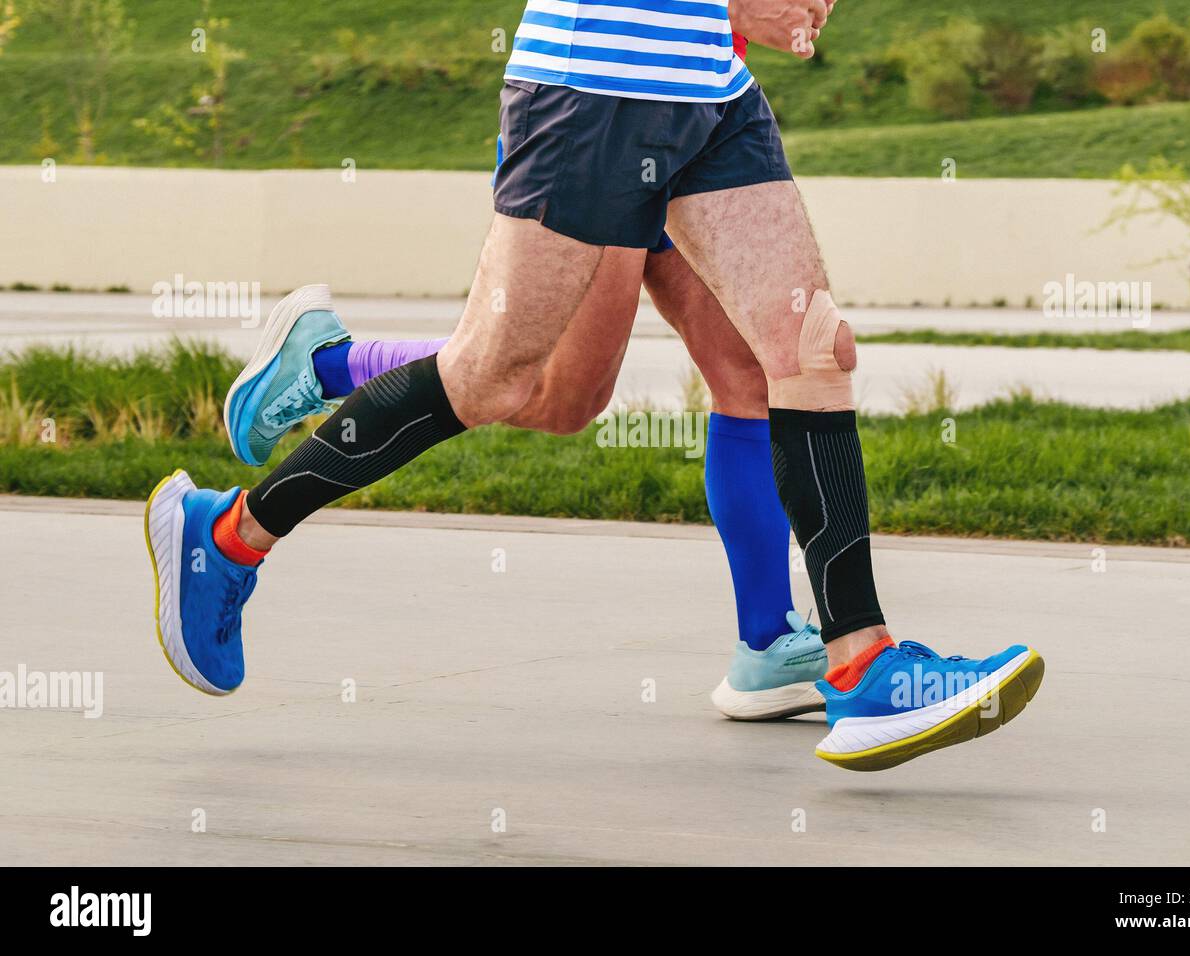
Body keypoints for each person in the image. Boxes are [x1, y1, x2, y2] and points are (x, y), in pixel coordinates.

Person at [145, 0, 1043, 771]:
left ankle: (861, 666)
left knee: (810, 349)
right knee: (498, 378)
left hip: (711, 96)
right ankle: (227, 536)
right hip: (595, 89)